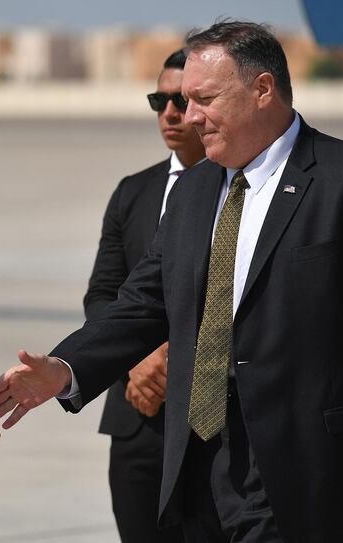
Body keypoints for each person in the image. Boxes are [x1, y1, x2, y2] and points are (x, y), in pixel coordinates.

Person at [0, 21, 343, 542]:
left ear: (262, 89)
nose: (190, 117)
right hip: (199, 465)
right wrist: (64, 368)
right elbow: (143, 301)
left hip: (309, 470)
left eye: (204, 99)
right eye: (185, 101)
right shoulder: (193, 190)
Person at [85, 48, 203, 543]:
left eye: (181, 100)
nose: (170, 113)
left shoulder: (240, 191)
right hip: (135, 416)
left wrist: (170, 360)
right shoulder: (132, 192)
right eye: (160, 99)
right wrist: (137, 362)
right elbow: (101, 296)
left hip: (206, 424)